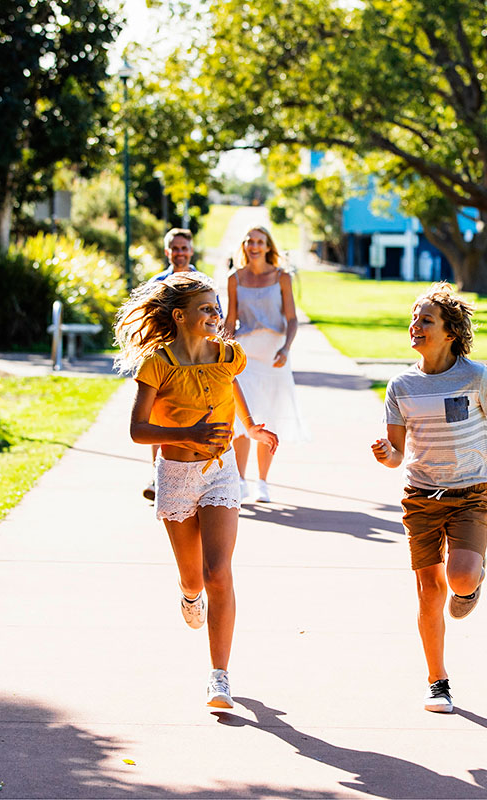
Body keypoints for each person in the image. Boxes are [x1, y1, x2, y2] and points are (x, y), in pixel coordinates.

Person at [370, 283, 487, 714]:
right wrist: (386, 454)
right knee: (429, 591)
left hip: (469, 493)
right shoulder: (401, 385)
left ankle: (471, 585)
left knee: (460, 578)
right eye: (414, 317)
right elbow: (396, 453)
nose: (415, 325)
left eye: (425, 319)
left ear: (450, 332)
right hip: (421, 496)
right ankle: (437, 682)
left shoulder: (475, 377)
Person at [116, 272, 279, 709]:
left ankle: (219, 677)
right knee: (194, 579)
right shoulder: (158, 364)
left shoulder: (229, 354)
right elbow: (136, 430)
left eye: (216, 308)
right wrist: (187, 431)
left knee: (218, 572)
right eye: (206, 308)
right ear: (180, 316)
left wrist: (250, 427)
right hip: (175, 474)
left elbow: (232, 381)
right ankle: (189, 597)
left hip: (221, 470)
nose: (215, 314)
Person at [224, 226, 309, 502]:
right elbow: (230, 321)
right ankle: (239, 480)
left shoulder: (282, 277)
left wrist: (286, 347)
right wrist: (225, 352)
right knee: (243, 416)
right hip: (246, 354)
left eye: (259, 241)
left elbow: (292, 319)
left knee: (268, 417)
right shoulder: (234, 278)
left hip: (274, 354)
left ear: (268, 246)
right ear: (244, 246)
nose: (254, 246)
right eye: (249, 241)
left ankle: (262, 482)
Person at [142, 228, 207, 501]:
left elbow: (215, 319)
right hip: (164, 360)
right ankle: (159, 476)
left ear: (191, 251)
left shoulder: (203, 283)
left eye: (184, 248)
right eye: (175, 248)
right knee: (159, 415)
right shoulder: (157, 283)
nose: (180, 253)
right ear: (167, 252)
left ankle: (197, 476)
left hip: (194, 361)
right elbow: (147, 322)